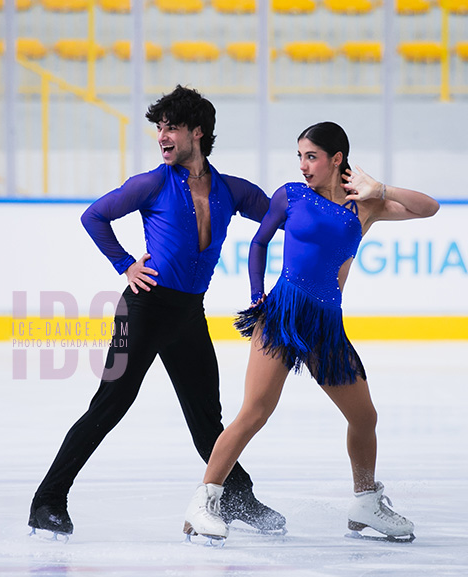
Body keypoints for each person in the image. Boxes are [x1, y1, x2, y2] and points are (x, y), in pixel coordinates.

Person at [28, 85, 286, 538]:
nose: (162, 136)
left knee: (207, 416)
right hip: (143, 311)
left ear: (198, 132)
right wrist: (125, 264)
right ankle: (47, 501)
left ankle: (237, 498)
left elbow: (281, 216)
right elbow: (94, 216)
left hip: (188, 314)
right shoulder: (150, 183)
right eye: (159, 128)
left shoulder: (230, 190)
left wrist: (336, 201)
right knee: (110, 404)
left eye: (172, 127)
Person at [184, 121, 439, 544]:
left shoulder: (364, 205)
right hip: (283, 314)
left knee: (364, 417)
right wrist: (257, 294)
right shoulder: (291, 195)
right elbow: (259, 242)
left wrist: (382, 189)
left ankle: (365, 501)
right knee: (255, 411)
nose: (303, 165)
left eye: (312, 156)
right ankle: (204, 501)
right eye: (300, 156)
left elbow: (428, 207)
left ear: (337, 159)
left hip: (326, 326)